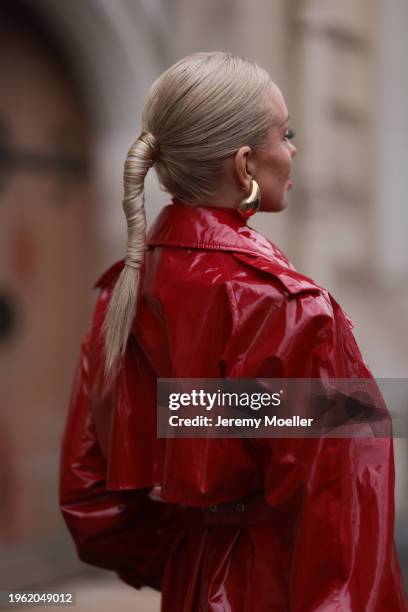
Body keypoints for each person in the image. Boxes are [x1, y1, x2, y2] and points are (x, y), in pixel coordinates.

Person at [59, 52, 407, 611]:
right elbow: (347, 539)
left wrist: (195, 558)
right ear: (245, 164)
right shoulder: (295, 310)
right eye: (284, 133)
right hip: (274, 592)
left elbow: (91, 505)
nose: (292, 150)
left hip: (192, 587)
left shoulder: (122, 292)